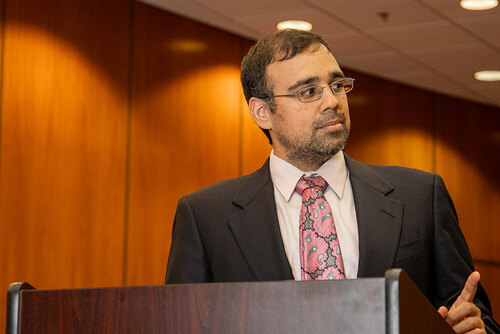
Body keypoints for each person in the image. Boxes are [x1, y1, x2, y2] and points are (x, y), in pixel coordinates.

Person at [165, 29, 499, 333]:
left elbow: (476, 316)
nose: (332, 102)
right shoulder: (206, 218)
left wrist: (477, 329)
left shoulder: (420, 197)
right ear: (262, 112)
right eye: (308, 91)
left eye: (337, 85)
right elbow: (178, 326)